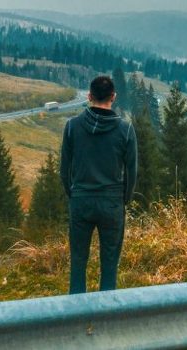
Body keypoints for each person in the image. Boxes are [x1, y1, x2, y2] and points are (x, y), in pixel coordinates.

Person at [60, 76, 138, 294]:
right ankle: (106, 318)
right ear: (113, 97)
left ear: (89, 97)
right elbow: (132, 172)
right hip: (112, 203)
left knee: (78, 262)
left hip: (81, 200)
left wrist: (74, 194)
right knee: (110, 264)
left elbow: (64, 170)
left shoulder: (71, 127)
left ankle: (76, 316)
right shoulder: (126, 130)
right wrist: (124, 199)